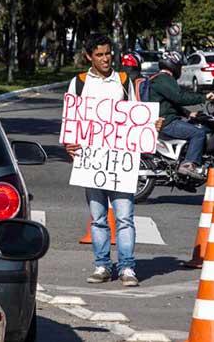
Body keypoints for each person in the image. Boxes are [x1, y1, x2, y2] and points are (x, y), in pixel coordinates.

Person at [64, 33, 139, 287]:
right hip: (92, 163)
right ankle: (102, 265)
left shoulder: (124, 80)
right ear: (89, 57)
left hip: (120, 162)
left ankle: (127, 267)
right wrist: (69, 143)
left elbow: (137, 114)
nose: (106, 59)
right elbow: (70, 120)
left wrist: (151, 124)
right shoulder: (79, 83)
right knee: (97, 218)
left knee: (125, 217)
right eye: (99, 55)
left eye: (108, 53)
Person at [149, 51, 214, 179]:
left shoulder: (161, 79)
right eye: (180, 66)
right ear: (173, 65)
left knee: (195, 126)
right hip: (166, 122)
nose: (180, 69)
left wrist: (188, 113)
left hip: (166, 119)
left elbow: (170, 102)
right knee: (198, 133)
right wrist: (204, 97)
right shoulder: (164, 79)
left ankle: (185, 159)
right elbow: (179, 97)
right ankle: (187, 165)